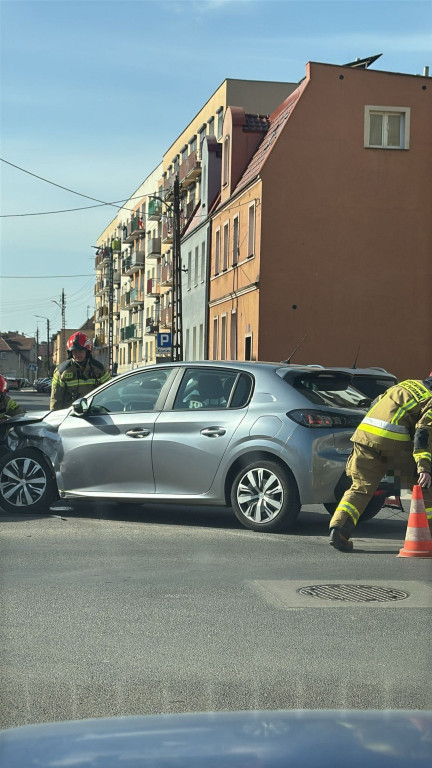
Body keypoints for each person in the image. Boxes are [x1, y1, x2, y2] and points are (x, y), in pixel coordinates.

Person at [329, 376, 432, 552]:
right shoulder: (430, 398)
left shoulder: (406, 385)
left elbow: (376, 402)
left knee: (360, 488)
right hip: (393, 447)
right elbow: (423, 434)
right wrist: (424, 468)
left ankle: (339, 530)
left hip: (364, 438)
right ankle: (427, 536)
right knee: (423, 488)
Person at [50, 332, 110, 411]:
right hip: (70, 415)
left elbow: (109, 392)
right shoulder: (62, 372)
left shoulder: (99, 369)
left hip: (94, 414)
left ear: (87, 351)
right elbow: (55, 399)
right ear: (70, 352)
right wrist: (55, 419)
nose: (78, 354)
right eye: (75, 351)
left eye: (81, 351)